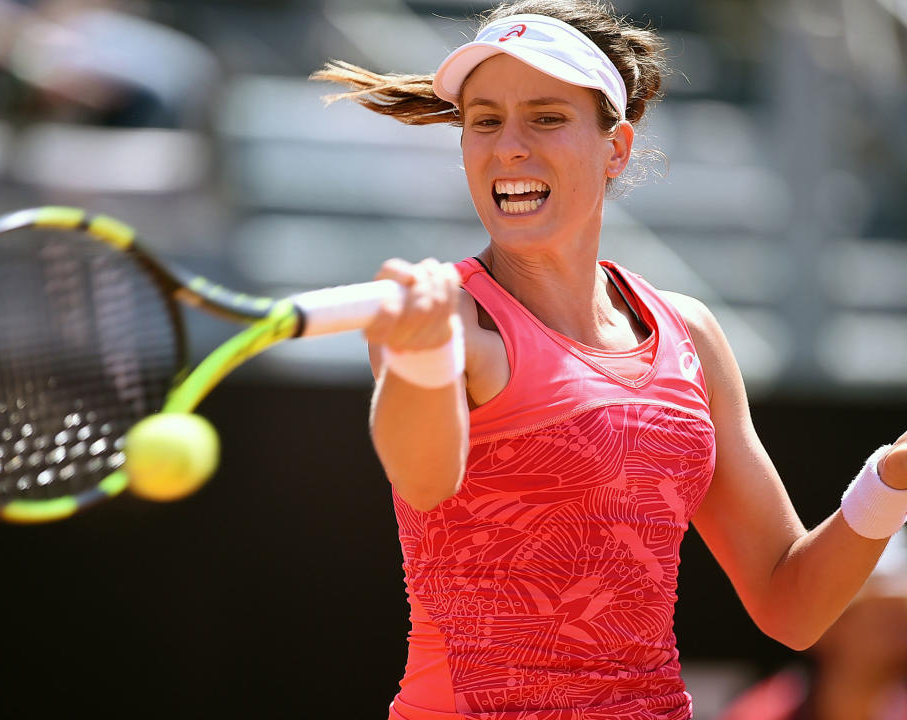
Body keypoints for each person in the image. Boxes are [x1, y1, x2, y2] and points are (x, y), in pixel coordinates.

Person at [314, 2, 907, 718]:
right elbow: (423, 475)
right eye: (485, 121)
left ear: (616, 148)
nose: (509, 146)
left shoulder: (690, 333)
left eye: (546, 117)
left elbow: (793, 604)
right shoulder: (449, 322)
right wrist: (419, 362)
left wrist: (892, 478)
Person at [717, 531, 907, 720]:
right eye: (883, 616)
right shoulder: (758, 714)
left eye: (903, 617)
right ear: (830, 625)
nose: (899, 634)